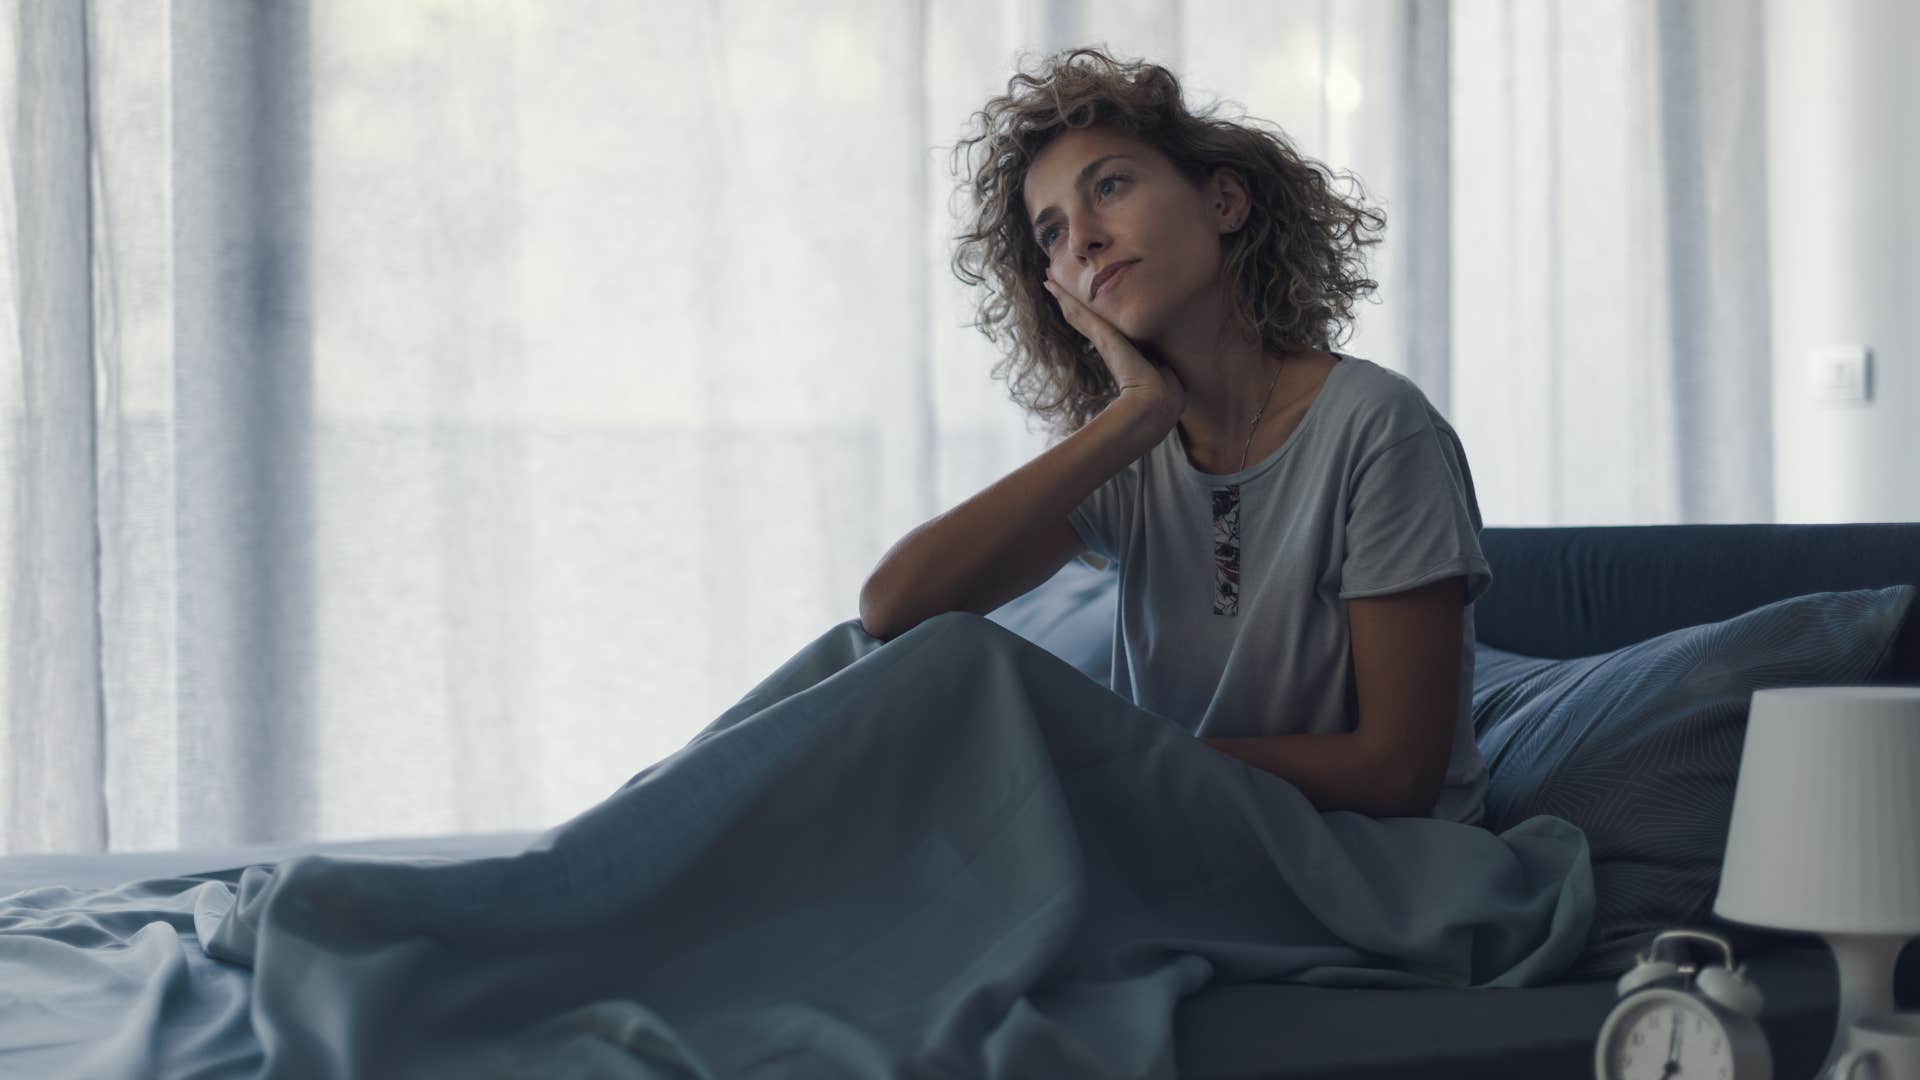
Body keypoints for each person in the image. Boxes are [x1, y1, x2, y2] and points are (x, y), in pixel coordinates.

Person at [860, 46, 1493, 826]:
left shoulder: (1378, 425)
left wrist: (1119, 762)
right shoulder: (1134, 447)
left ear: (1225, 203)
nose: (1082, 239)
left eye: (1111, 186)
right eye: (1050, 232)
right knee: (858, 682)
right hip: (1190, 839)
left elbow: (1397, 775)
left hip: (1363, 861)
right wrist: (1133, 412)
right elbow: (894, 611)